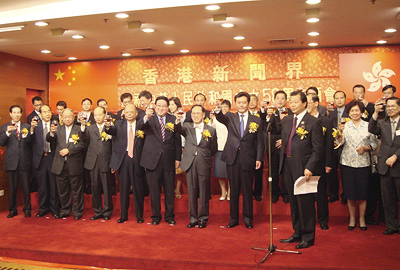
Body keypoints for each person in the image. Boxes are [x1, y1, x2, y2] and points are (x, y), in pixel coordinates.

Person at [279, 90, 323, 249]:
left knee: (305, 202)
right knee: (294, 202)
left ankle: (308, 236)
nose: (292, 104)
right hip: (288, 164)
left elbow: (318, 149)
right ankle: (297, 232)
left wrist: (310, 167)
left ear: (304, 103)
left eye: (296, 102)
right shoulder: (287, 120)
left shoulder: (313, 122)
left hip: (303, 167)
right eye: (291, 102)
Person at [215, 92, 264, 229]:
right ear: (235, 104)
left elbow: (260, 142)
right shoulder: (230, 117)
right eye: (239, 102)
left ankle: (248, 219)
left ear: (248, 103)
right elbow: (219, 117)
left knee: (248, 190)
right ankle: (233, 219)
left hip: (248, 158)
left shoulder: (256, 120)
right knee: (234, 190)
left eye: (244, 102)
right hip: (232, 158)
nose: (241, 105)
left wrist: (259, 158)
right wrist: (218, 108)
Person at [137, 96, 182, 225]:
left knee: (169, 190)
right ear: (155, 106)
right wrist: (146, 116)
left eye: (164, 106)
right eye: (159, 105)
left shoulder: (173, 119)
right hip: (152, 160)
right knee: (154, 191)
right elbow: (139, 127)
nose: (161, 108)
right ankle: (156, 216)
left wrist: (177, 157)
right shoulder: (148, 118)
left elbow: (177, 140)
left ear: (168, 107)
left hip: (168, 159)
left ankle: (169, 216)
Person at [337, 100, 378, 231]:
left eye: (357, 110)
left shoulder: (368, 126)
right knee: (350, 193)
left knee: (362, 193)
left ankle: (362, 219)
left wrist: (366, 148)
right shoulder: (345, 125)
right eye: (352, 111)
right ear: (348, 112)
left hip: (363, 163)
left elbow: (375, 144)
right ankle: (352, 219)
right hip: (347, 163)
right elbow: (339, 143)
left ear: (361, 112)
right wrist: (338, 133)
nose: (354, 113)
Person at [176, 105, 217, 228]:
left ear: (203, 114)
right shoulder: (187, 127)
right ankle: (193, 218)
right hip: (190, 163)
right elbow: (178, 129)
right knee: (192, 191)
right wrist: (177, 121)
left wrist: (204, 156)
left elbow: (213, 148)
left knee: (204, 192)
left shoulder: (211, 130)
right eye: (193, 114)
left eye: (198, 113)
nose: (195, 116)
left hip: (204, 163)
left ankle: (203, 218)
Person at [106, 104, 146, 223]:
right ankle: (123, 215)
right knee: (123, 189)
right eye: (126, 112)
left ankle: (139, 215)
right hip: (123, 160)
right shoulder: (118, 124)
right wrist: (107, 127)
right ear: (123, 113)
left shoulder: (141, 125)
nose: (129, 113)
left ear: (136, 113)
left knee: (138, 189)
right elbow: (111, 130)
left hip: (137, 159)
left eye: (131, 112)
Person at [368, 97, 400, 235]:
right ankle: (392, 225)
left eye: (393, 106)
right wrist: (375, 113)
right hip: (384, 167)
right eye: (388, 106)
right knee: (387, 199)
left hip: (398, 165)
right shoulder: (382, 122)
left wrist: (396, 156)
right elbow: (372, 128)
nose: (390, 108)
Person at [47, 108, 86, 219]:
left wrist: (69, 150)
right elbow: (49, 139)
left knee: (77, 190)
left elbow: (82, 144)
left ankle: (77, 211)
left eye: (69, 116)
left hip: (74, 164)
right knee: (62, 190)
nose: (67, 119)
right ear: (61, 118)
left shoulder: (79, 129)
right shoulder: (57, 129)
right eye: (65, 117)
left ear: (73, 117)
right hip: (60, 165)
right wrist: (51, 132)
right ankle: (65, 210)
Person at [307, 95, 333, 230]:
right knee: (307, 194)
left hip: (320, 162)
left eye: (309, 102)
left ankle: (323, 219)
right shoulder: (303, 120)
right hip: (306, 162)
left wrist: (328, 163)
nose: (306, 105)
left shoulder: (326, 121)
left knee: (321, 192)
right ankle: (309, 219)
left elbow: (329, 145)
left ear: (316, 103)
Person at [0, 105, 32, 218]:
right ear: (10, 114)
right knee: (12, 188)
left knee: (26, 187)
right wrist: (7, 133)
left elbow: (30, 142)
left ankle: (28, 209)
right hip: (11, 162)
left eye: (19, 112)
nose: (17, 114)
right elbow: (2, 143)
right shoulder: (4, 127)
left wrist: (28, 134)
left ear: (21, 114)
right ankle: (12, 210)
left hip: (24, 161)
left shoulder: (27, 127)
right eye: (14, 112)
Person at [82, 107, 114, 221]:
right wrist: (82, 128)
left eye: (100, 115)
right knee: (95, 188)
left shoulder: (110, 127)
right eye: (95, 115)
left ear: (105, 115)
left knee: (106, 188)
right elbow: (84, 141)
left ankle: (107, 211)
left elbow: (114, 146)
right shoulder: (89, 129)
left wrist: (113, 163)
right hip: (93, 162)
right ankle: (97, 210)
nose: (98, 117)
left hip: (106, 161)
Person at [30, 105, 60, 218]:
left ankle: (54, 209)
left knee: (53, 185)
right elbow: (29, 141)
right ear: (40, 114)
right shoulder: (35, 126)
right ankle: (42, 208)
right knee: (42, 186)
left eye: (49, 111)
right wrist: (31, 130)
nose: (47, 114)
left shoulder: (56, 125)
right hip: (40, 159)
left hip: (52, 157)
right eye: (44, 112)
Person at [264, 90, 291, 203]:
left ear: (286, 100)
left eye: (282, 98)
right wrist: (268, 117)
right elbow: (267, 129)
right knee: (273, 170)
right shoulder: (271, 112)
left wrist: (284, 140)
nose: (280, 100)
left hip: (286, 145)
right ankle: (274, 193)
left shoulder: (290, 112)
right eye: (278, 98)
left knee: (285, 170)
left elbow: (292, 129)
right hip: (273, 145)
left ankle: (286, 193)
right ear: (274, 100)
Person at [327, 91, 348, 203]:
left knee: (345, 171)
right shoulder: (330, 112)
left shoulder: (351, 111)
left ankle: (345, 195)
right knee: (332, 171)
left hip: (346, 146)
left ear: (345, 99)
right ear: (334, 100)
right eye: (337, 98)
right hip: (333, 146)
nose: (339, 100)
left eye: (341, 98)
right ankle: (333, 194)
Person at [209, 100, 231, 201]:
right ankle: (223, 191)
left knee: (230, 173)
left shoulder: (232, 118)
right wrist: (212, 119)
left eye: (226, 107)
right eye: (222, 107)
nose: (224, 108)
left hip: (231, 149)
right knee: (220, 173)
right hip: (219, 148)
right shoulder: (216, 119)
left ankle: (230, 192)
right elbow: (210, 128)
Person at [168, 97, 186, 199]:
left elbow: (183, 132)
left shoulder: (182, 116)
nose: (170, 107)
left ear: (177, 105)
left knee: (179, 170)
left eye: (172, 104)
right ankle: (171, 189)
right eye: (169, 105)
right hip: (169, 145)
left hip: (180, 144)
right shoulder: (167, 116)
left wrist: (182, 145)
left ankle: (178, 189)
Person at [249, 94, 264, 201]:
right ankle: (248, 192)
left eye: (254, 100)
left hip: (258, 147)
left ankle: (258, 193)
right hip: (247, 149)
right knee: (247, 174)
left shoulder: (261, 115)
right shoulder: (243, 116)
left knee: (258, 173)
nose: (251, 102)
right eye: (249, 100)